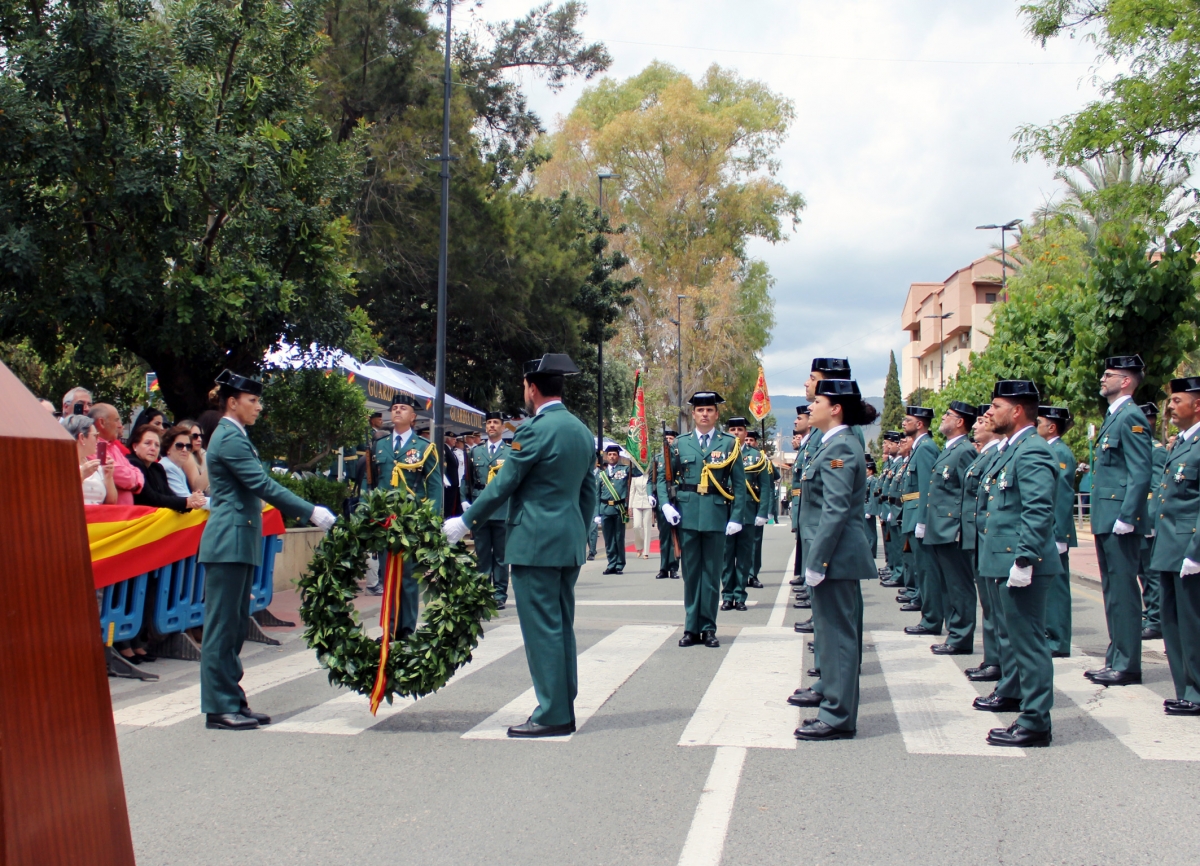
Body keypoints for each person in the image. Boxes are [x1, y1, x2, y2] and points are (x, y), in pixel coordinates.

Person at [443, 354, 596, 738]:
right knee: (561, 625)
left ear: (531, 388)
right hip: (568, 541)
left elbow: (503, 484)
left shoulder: (533, 430)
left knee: (542, 629)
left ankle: (552, 713)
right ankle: (562, 702)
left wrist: (465, 521)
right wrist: (578, 529)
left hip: (535, 542)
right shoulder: (580, 430)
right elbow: (588, 490)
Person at [198, 370, 335, 731]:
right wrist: (310, 510)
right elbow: (260, 483)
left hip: (237, 540)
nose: (259, 407)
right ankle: (218, 707)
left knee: (233, 626)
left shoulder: (237, 435)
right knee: (221, 627)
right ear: (232, 402)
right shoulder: (228, 437)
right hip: (228, 541)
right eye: (253, 400)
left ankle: (232, 700)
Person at [788, 378, 878, 741]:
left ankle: (839, 716)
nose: (812, 406)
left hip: (836, 556)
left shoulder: (840, 446)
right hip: (829, 553)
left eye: (819, 401)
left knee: (839, 635)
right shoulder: (830, 444)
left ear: (836, 408)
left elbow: (835, 510)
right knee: (829, 631)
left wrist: (817, 561)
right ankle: (833, 700)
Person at [974, 380, 1060, 748]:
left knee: (1029, 645)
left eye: (996, 405)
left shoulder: (1032, 451)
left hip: (1020, 564)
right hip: (1003, 562)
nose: (990, 413)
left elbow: (1038, 510)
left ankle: (1036, 722)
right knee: (1015, 640)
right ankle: (1020, 701)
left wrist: (1024, 559)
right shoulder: (1012, 450)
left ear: (1017, 411)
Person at [657, 392, 745, 649]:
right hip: (687, 515)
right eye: (700, 410)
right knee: (691, 574)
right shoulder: (680, 444)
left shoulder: (729, 443)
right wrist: (665, 504)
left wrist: (737, 516)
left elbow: (739, 483)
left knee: (711, 574)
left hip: (717, 514)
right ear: (693, 415)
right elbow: (664, 478)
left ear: (716, 414)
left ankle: (708, 628)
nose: (704, 414)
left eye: (709, 410)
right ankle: (690, 627)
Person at [1088, 354, 1154, 687]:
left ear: (1126, 381)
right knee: (1113, 592)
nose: (1103, 378)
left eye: (1109, 374)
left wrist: (1128, 516)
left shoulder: (1130, 417)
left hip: (1119, 521)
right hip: (1106, 518)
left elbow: (1141, 472)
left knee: (1124, 593)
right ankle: (1116, 658)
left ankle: (1128, 664)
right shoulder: (1115, 416)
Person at [371, 395, 443, 636]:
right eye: (394, 408)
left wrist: (430, 521)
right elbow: (370, 482)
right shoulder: (379, 446)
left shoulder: (424, 448)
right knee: (387, 574)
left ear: (413, 417)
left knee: (409, 579)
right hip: (385, 520)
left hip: (411, 521)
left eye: (403, 408)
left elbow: (434, 487)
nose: (397, 411)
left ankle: (406, 627)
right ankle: (389, 627)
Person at [1150, 377, 1200, 714]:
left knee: (1193, 623)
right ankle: (1186, 689)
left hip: (1188, 547)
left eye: (1177, 400)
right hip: (1169, 546)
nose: (1170, 406)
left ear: (1197, 405)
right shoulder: (1181, 443)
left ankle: (1196, 691)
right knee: (1172, 622)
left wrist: (1196, 551)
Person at [922, 401, 980, 655]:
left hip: (952, 528)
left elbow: (969, 492)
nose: (943, 418)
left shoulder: (965, 450)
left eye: (948, 415)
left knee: (959, 585)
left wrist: (961, 527)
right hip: (940, 527)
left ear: (960, 422)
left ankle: (961, 636)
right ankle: (953, 631)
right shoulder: (949, 450)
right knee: (947, 584)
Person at [962, 406, 1004, 683]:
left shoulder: (996, 454)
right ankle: (993, 659)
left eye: (983, 420)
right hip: (980, 535)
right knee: (989, 604)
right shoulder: (988, 455)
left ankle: (998, 662)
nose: (977, 425)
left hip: (994, 538)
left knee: (997, 607)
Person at [1037, 405, 1078, 657]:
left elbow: (1062, 497)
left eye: (1039, 421)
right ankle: (1050, 633)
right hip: (1048, 531)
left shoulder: (1060, 452)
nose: (1035, 424)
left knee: (1057, 589)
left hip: (1055, 532)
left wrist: (1060, 535)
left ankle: (1058, 640)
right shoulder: (1049, 451)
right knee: (1048, 587)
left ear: (1052, 427)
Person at [720, 417, 770, 611]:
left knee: (743, 557)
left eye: (739, 430)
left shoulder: (757, 457)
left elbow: (765, 487)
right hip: (725, 511)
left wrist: (763, 512)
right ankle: (727, 595)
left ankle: (740, 595)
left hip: (748, 512)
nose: (736, 433)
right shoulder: (719, 454)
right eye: (732, 429)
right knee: (726, 556)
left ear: (745, 433)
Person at [900, 405, 941, 636]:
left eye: (908, 420)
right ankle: (929, 616)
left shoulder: (925, 449)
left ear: (920, 424)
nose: (904, 423)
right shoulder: (919, 448)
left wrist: (923, 521)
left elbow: (927, 488)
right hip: (912, 513)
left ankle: (931, 619)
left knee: (927, 572)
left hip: (919, 516)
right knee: (922, 570)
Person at [467, 412, 512, 609]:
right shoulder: (475, 452)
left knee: (501, 556)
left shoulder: (511, 451)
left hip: (502, 509)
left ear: (503, 427)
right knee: (482, 554)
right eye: (489, 423)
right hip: (481, 508)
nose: (491, 426)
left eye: (496, 423)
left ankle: (499, 594)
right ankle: (483, 592)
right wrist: (464, 502)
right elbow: (467, 480)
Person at [1138, 402, 1168, 640]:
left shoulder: (1155, 450)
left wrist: (1150, 521)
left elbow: (1157, 488)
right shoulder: (1141, 446)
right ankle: (1151, 612)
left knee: (1151, 573)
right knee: (1142, 571)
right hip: (1139, 519)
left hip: (1147, 519)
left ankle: (1157, 618)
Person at [128, 425, 207, 511]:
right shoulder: (132, 464)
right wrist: (187, 501)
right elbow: (150, 498)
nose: (153, 448)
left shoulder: (157, 468)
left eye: (157, 445)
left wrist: (191, 501)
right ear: (135, 446)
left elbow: (168, 495)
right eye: (147, 443)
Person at [596, 444, 640, 575]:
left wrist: (633, 459)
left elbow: (638, 472)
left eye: (614, 454)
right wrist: (597, 512)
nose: (612, 456)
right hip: (605, 509)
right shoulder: (601, 474)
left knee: (619, 538)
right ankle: (611, 564)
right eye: (609, 454)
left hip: (619, 508)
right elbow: (597, 493)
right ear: (606, 456)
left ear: (618, 456)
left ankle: (620, 564)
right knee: (608, 539)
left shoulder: (625, 469)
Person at [88, 404, 144, 504]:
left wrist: (134, 478)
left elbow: (135, 470)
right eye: (116, 420)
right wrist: (134, 479)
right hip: (112, 516)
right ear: (102, 422)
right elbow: (121, 475)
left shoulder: (114, 446)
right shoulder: (94, 447)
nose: (120, 425)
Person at [67, 414, 117, 505]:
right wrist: (81, 475)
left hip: (98, 517)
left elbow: (112, 502)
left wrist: (108, 477)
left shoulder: (95, 466)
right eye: (95, 436)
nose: (98, 441)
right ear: (82, 438)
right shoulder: (61, 466)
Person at [745, 429, 773, 589]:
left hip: (753, 503)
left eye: (751, 440)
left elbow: (769, 483)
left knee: (754, 542)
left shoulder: (760, 458)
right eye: (746, 439)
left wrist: (766, 510)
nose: (748, 442)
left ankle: (752, 574)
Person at [652, 429, 681, 579]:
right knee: (664, 536)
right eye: (667, 438)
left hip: (677, 501)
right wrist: (651, 494)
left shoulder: (679, 456)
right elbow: (653, 480)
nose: (669, 440)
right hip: (663, 502)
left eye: (671, 438)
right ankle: (663, 567)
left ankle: (674, 567)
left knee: (675, 535)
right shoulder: (657, 458)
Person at [160, 424, 207, 497]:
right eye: (179, 446)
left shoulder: (176, 466)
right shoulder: (169, 467)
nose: (185, 450)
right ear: (168, 448)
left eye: (188, 446)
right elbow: (185, 499)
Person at [629, 467, 654, 560]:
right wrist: (630, 506)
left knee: (647, 528)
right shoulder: (635, 476)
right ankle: (639, 547)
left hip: (648, 503)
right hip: (637, 502)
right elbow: (632, 492)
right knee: (637, 526)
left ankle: (646, 552)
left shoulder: (651, 477)